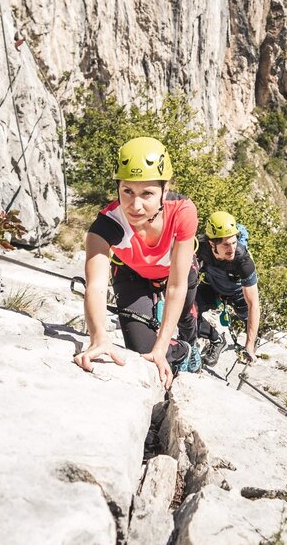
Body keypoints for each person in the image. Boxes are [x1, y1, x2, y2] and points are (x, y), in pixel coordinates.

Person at [73, 136, 201, 389]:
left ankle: (190, 345)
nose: (135, 205)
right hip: (132, 274)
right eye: (127, 191)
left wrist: (162, 343)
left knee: (185, 316)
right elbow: (96, 286)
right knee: (143, 349)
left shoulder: (183, 212)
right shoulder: (105, 226)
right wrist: (98, 336)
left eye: (147, 193)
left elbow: (176, 286)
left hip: (177, 272)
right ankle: (180, 352)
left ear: (165, 190)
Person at [195, 210, 261, 366]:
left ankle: (254, 338)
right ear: (212, 243)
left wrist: (249, 346)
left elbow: (254, 305)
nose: (231, 248)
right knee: (188, 308)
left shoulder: (243, 261)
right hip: (212, 286)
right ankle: (216, 339)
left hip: (238, 292)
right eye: (225, 244)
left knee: (245, 314)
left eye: (234, 242)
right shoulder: (199, 247)